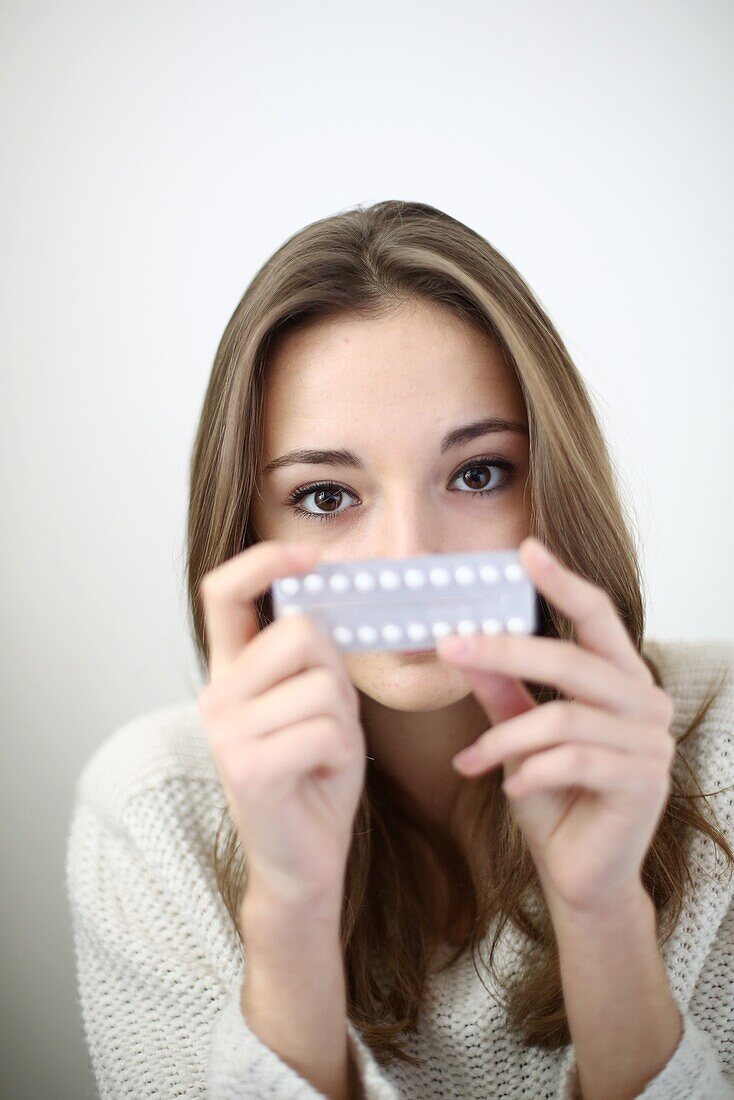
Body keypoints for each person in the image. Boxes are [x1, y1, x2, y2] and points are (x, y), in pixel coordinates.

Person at [66, 200, 734, 1099]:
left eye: (478, 474)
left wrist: (607, 920)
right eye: (327, 496)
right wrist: (290, 919)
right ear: (244, 526)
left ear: (552, 489)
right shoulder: (154, 814)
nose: (411, 553)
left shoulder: (723, 749)